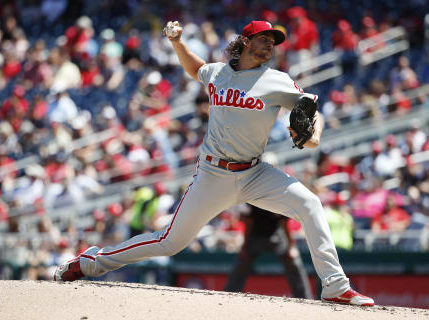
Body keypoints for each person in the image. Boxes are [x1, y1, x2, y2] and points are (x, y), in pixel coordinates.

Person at [54, 20, 374, 307]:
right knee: (169, 242)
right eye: (264, 39)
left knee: (310, 203)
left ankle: (335, 286)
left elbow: (310, 110)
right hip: (212, 174)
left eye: (273, 42)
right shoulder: (218, 73)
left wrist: (313, 136)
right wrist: (178, 44)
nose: (270, 45)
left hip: (254, 172)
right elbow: (197, 70)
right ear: (245, 42)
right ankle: (91, 262)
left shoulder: (276, 80)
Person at [224, 204, 312, 299]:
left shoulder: (278, 198)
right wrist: (244, 248)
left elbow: (284, 224)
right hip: (255, 235)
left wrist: (291, 247)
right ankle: (229, 296)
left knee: (294, 261)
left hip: (277, 234)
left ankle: (305, 298)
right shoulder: (253, 199)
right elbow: (249, 223)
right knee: (242, 260)